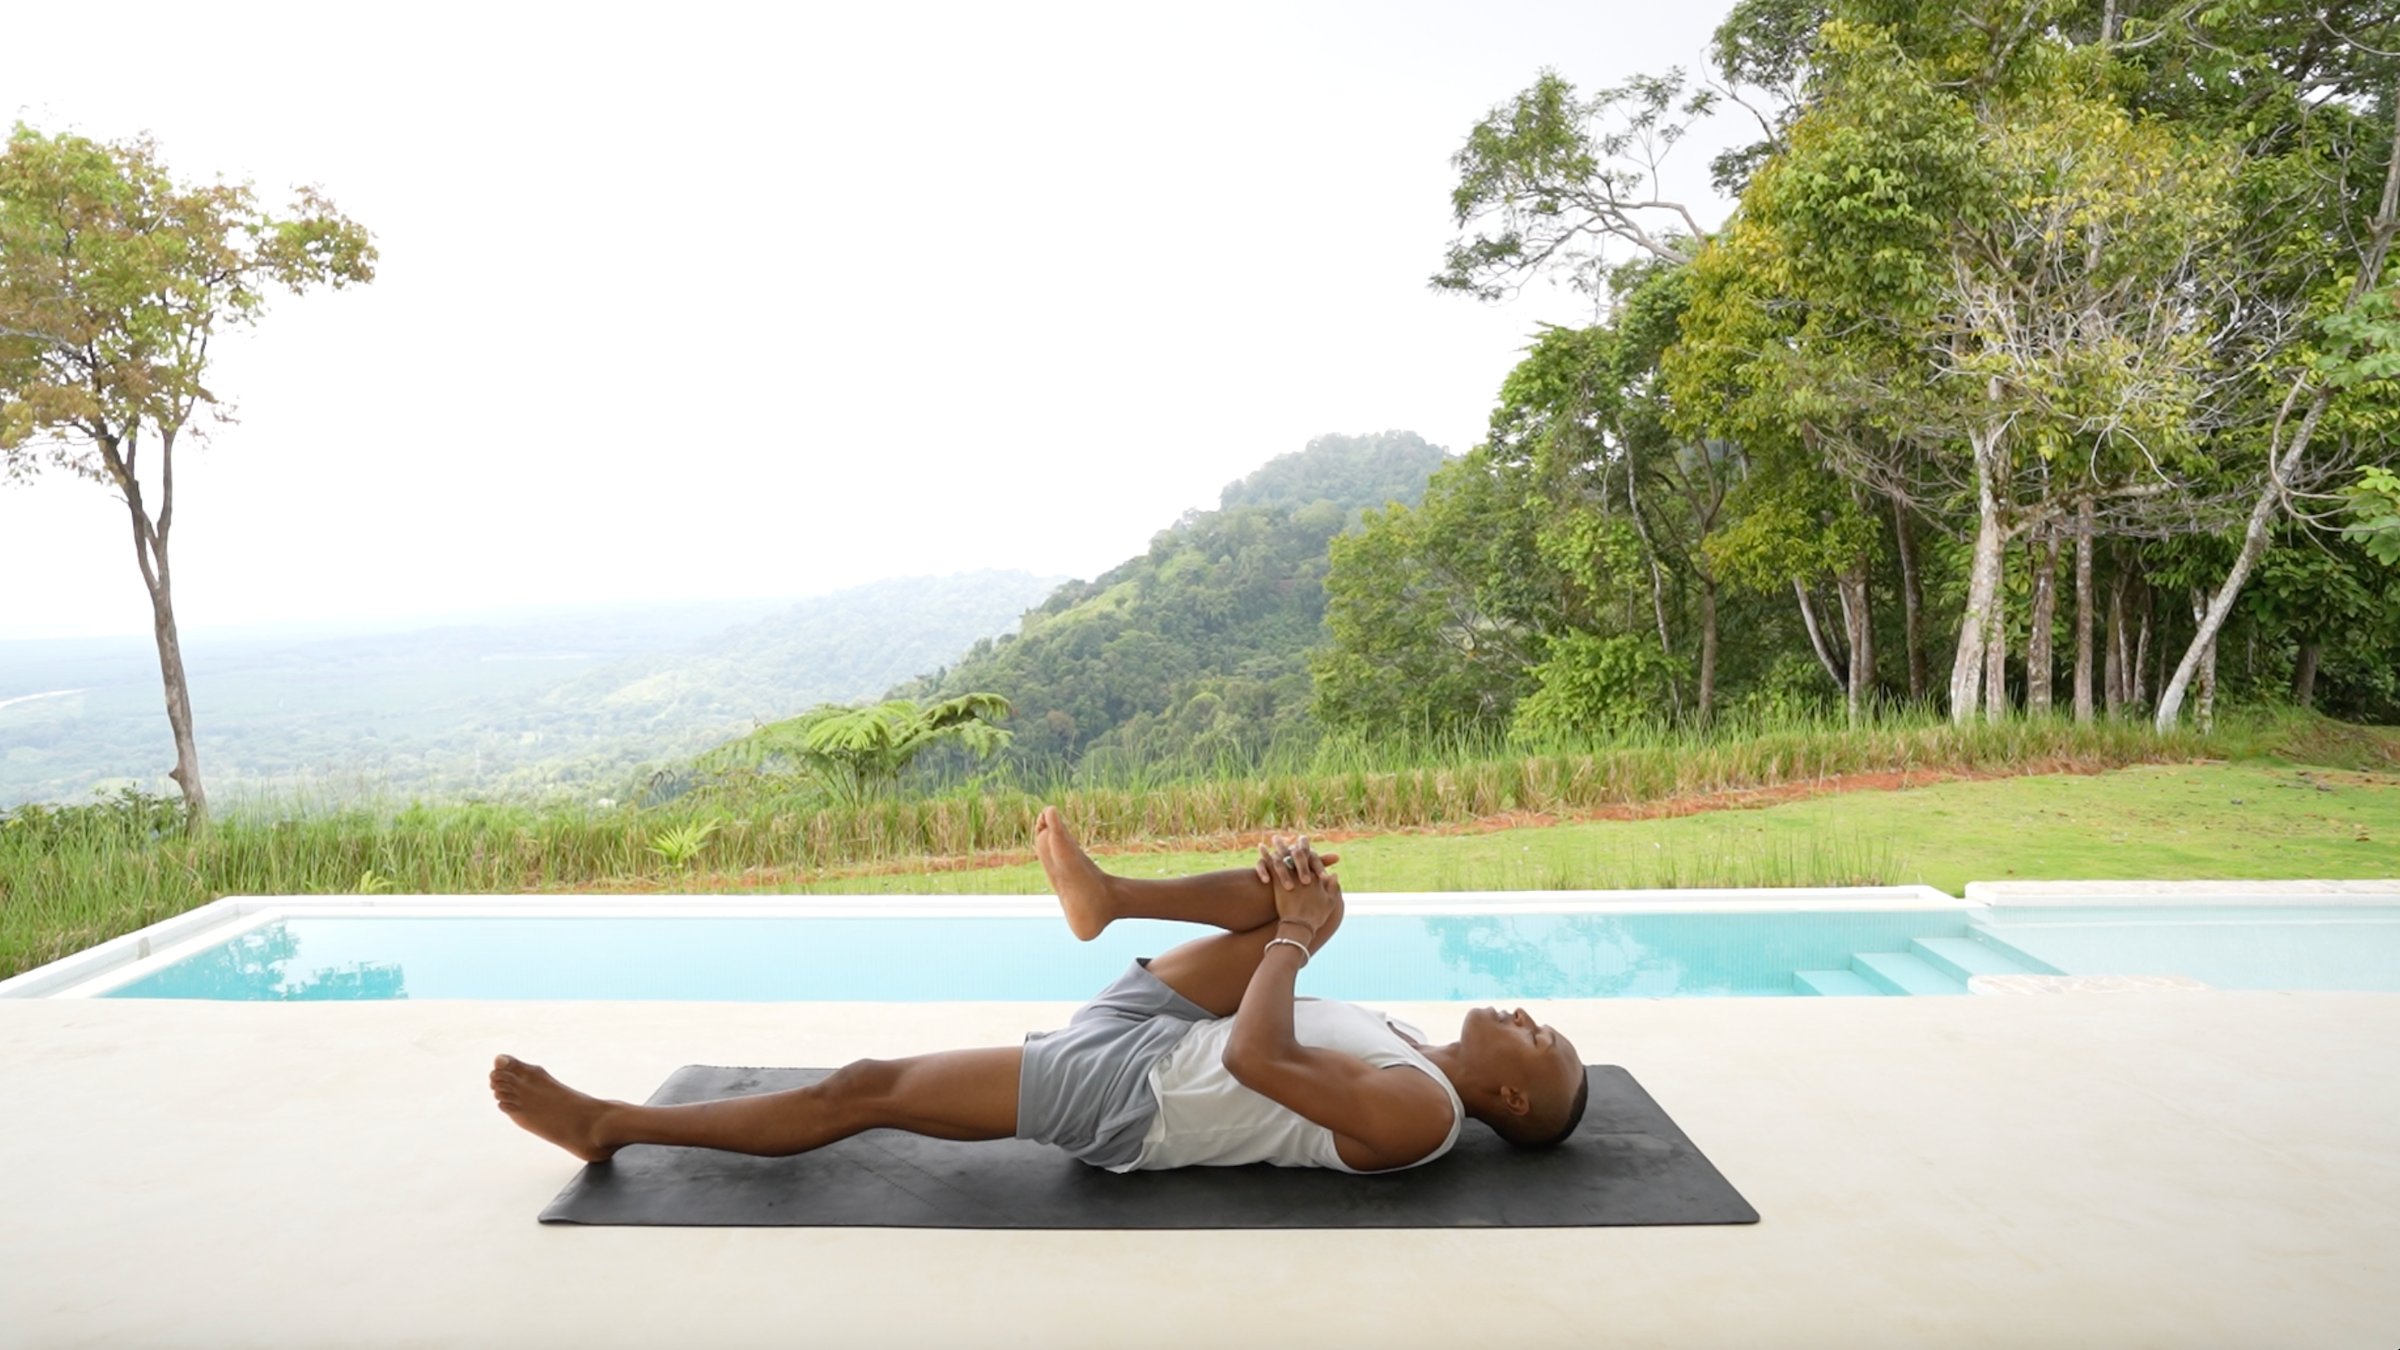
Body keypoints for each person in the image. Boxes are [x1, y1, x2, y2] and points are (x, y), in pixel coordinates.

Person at [489, 807, 1589, 1174]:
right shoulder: (1409, 1042)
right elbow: (1260, 1009)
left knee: (867, 1087)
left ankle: (610, 1124)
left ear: (1515, 1104)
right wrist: (1291, 912)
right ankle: (1106, 896)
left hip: (1133, 1096)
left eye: (1540, 1043)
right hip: (1163, 1028)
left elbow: (1260, 1062)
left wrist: (1292, 943)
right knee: (1307, 904)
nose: (1529, 1020)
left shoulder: (1423, 1115)